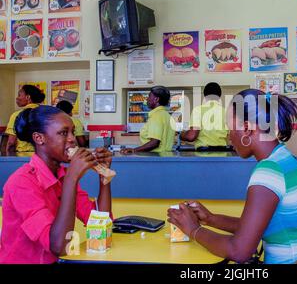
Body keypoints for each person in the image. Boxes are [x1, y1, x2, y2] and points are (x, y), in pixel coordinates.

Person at [168, 89, 297, 264]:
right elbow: (256, 226)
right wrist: (211, 219)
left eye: (230, 128)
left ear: (247, 128)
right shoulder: (283, 157)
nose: (229, 137)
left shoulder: (268, 172)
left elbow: (239, 251)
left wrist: (194, 230)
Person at [0, 105, 112, 264]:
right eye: (63, 133)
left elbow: (102, 224)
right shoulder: (21, 183)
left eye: (72, 131)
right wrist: (72, 179)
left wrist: (104, 175)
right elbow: (59, 246)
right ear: (39, 138)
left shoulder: (62, 176)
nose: (72, 138)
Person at [121, 86, 175, 154]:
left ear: (156, 99)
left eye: (149, 96)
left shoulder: (157, 116)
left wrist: (134, 150)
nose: (147, 99)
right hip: (166, 156)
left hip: (156, 158)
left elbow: (154, 143)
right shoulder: (167, 115)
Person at [180, 82, 228, 151]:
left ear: (205, 96)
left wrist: (181, 135)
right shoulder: (226, 112)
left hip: (204, 154)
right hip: (223, 152)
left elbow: (191, 136)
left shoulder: (198, 110)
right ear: (219, 96)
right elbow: (231, 137)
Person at [5, 85, 45, 153]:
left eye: (19, 95)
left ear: (28, 97)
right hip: (42, 155)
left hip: (22, 155)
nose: (17, 98)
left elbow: (11, 142)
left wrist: (8, 157)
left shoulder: (16, 115)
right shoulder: (46, 113)